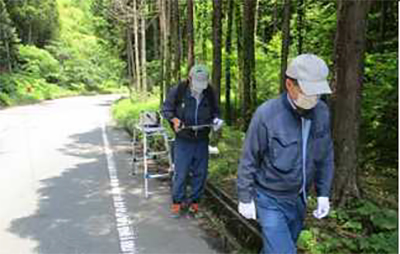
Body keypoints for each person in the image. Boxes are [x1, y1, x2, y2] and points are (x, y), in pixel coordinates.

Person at [237, 54, 334, 254]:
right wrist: (245, 197)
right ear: (289, 85)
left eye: (318, 93)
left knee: (277, 248)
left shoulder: (322, 113)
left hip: (299, 199)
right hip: (269, 199)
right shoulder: (267, 114)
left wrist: (324, 193)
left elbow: (325, 156)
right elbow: (249, 158)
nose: (313, 98)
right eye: (308, 91)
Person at [162, 64, 223, 217]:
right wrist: (175, 120)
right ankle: (177, 203)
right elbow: (166, 110)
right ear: (189, 79)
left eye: (203, 83)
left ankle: (195, 203)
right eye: (197, 83)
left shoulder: (209, 92)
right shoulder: (179, 90)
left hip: (202, 139)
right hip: (183, 139)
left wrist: (216, 121)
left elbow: (216, 111)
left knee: (200, 173)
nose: (200, 87)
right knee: (181, 173)